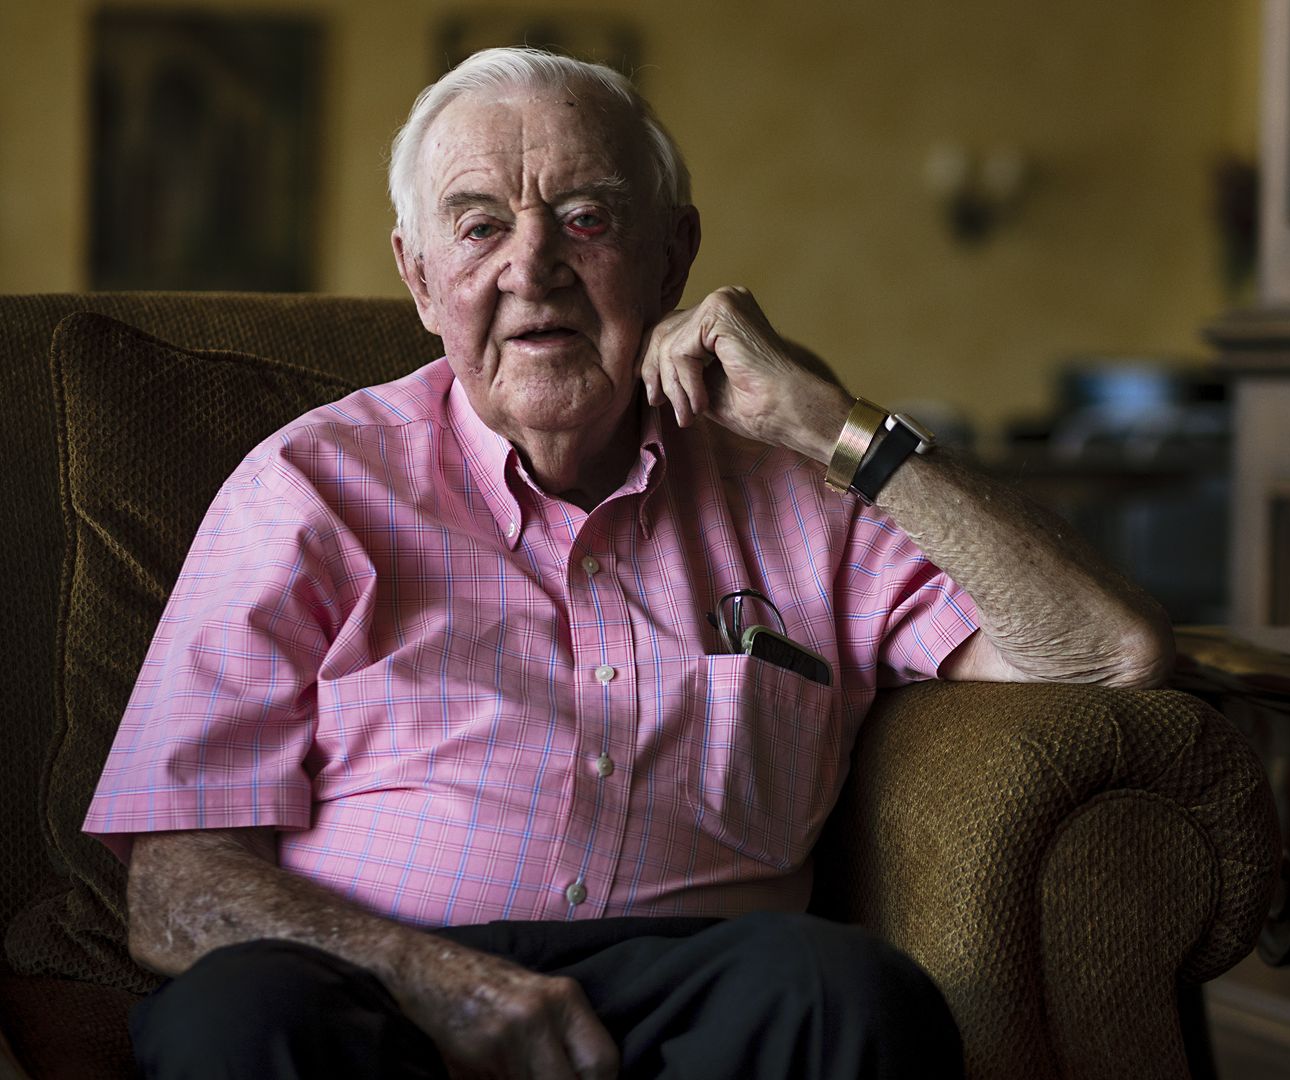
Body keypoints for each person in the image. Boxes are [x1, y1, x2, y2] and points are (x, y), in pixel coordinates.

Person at [82, 46, 1171, 1080]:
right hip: (373, 982)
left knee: (846, 996)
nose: (533, 266)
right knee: (236, 1018)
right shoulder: (308, 488)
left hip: (698, 982)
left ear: (674, 257)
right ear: (420, 280)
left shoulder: (800, 483)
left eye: (586, 218)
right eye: (477, 228)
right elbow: (175, 888)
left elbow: (1109, 656)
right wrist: (441, 982)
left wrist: (833, 424)